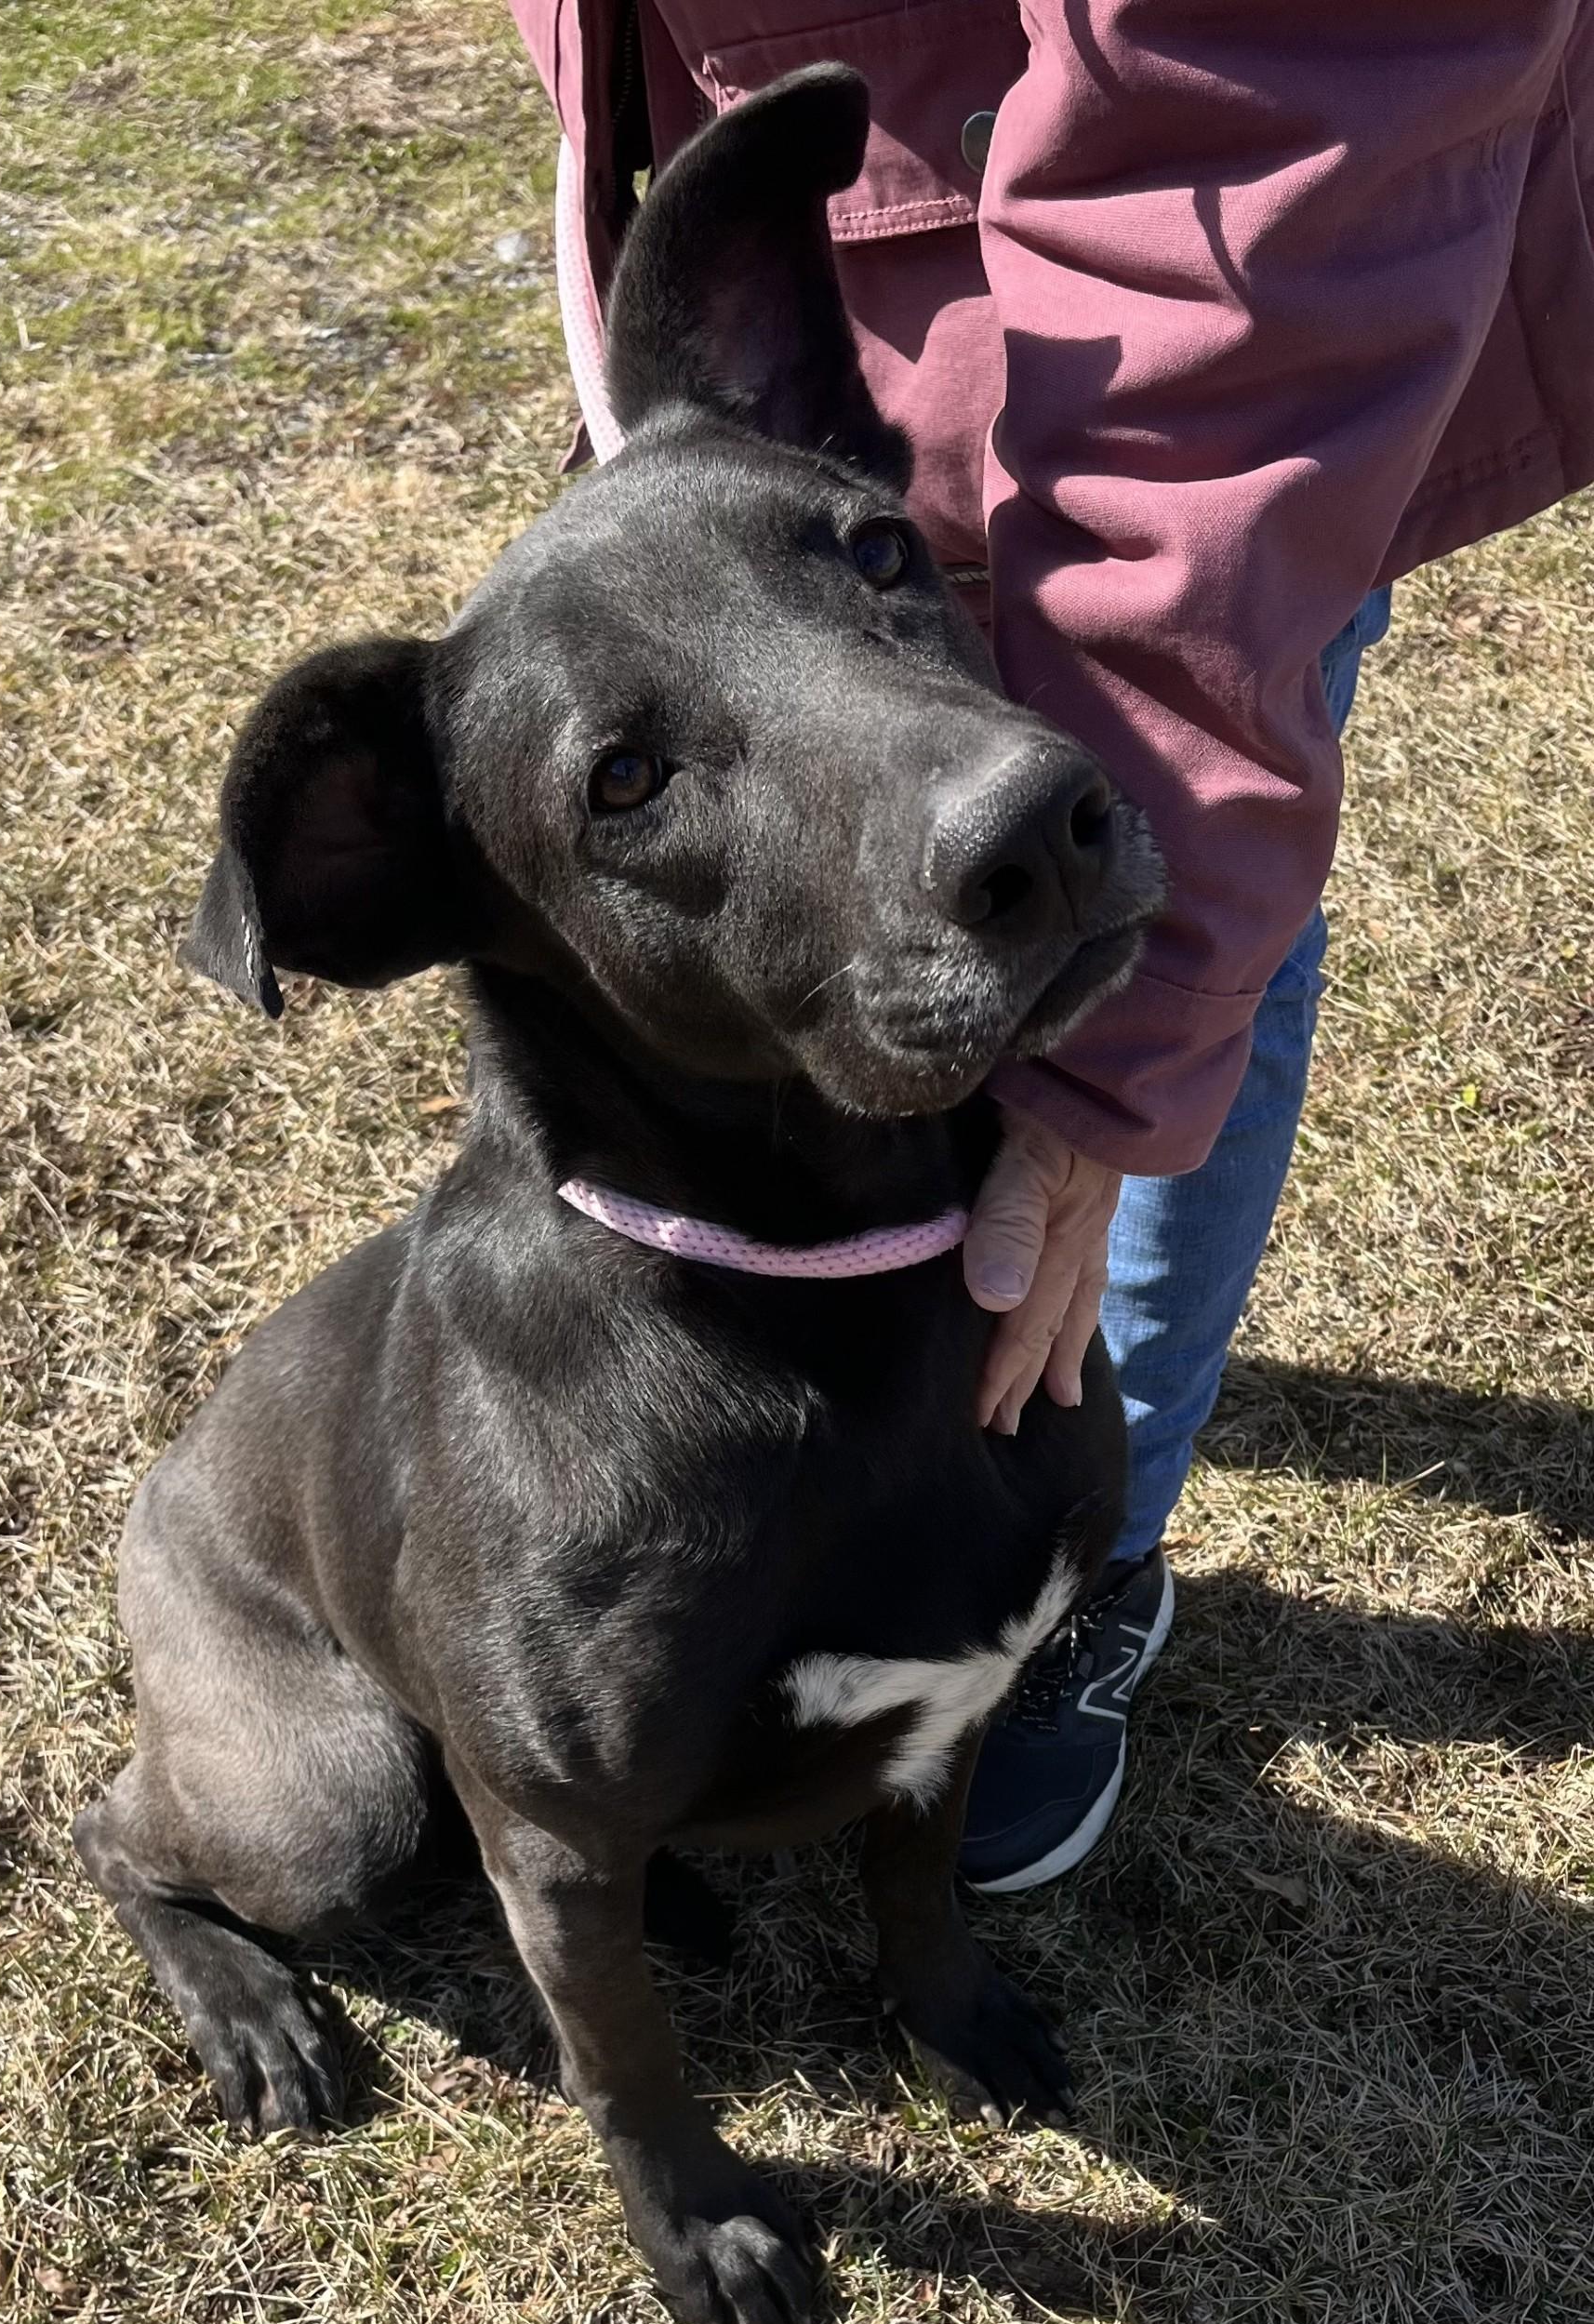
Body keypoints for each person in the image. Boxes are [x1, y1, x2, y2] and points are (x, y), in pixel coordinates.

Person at [508, 0, 1594, 1888]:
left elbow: (1277, 150)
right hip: (786, 256)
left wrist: (1107, 1075)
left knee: (1146, 909)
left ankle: (1080, 1541)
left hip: (1199, 333)